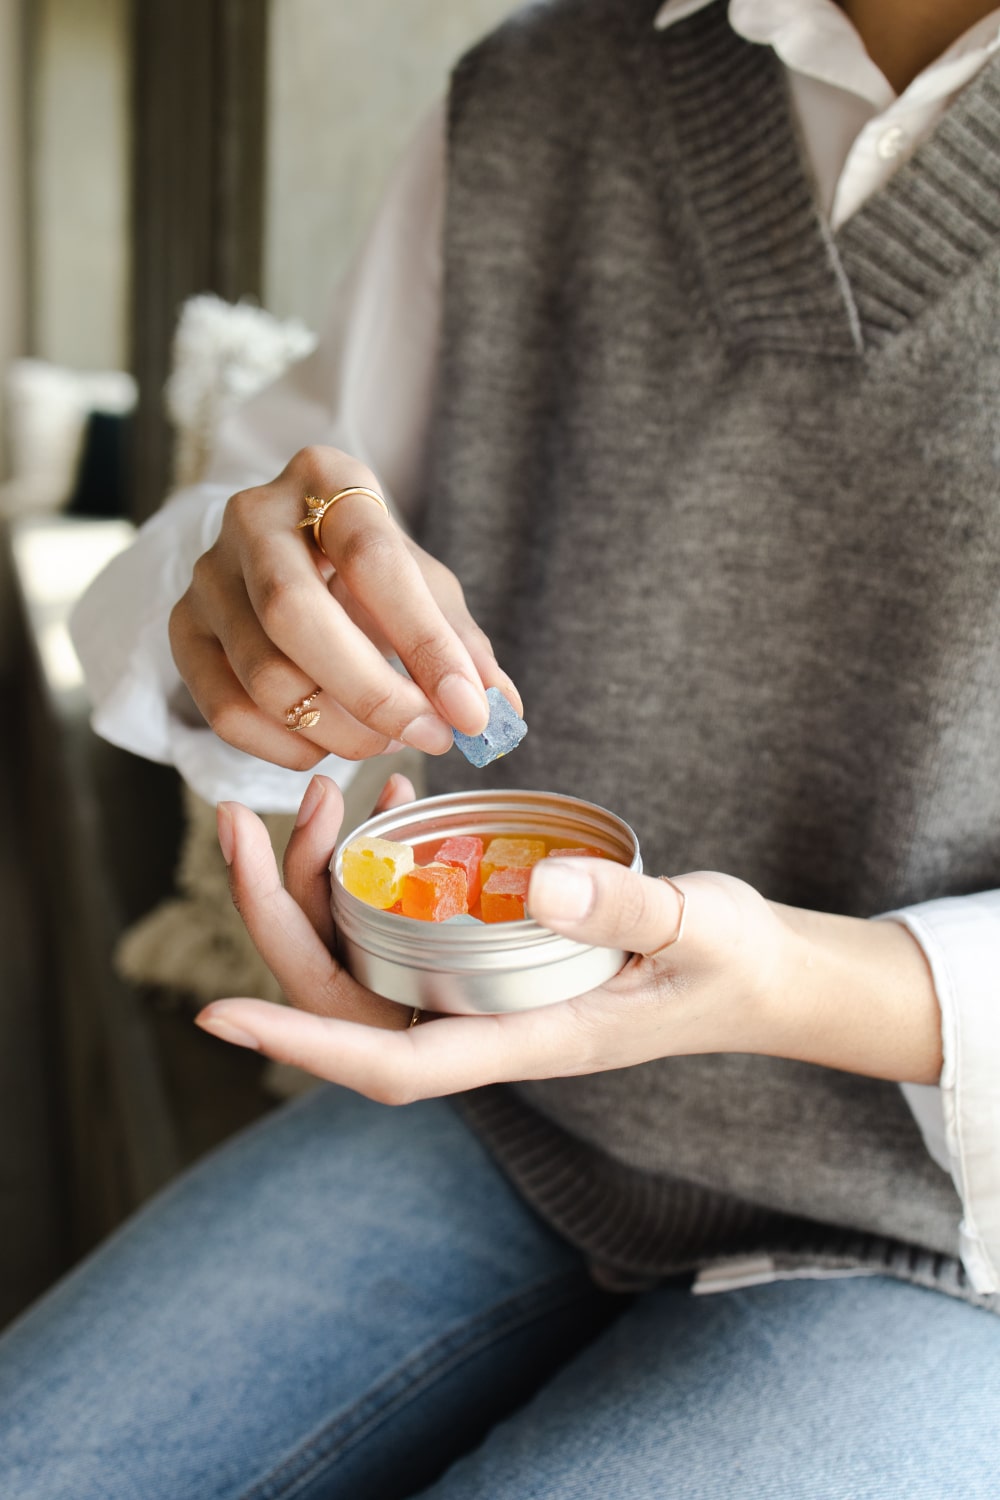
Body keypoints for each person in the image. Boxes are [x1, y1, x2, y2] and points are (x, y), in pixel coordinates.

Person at [3, 1, 1000, 1495]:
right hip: (498, 1107)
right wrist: (246, 611)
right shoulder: (538, 93)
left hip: (940, 1238)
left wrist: (795, 984)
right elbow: (250, 544)